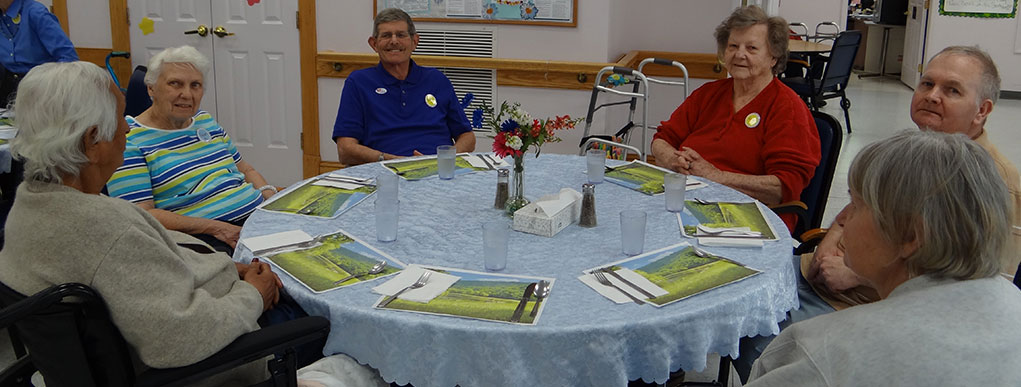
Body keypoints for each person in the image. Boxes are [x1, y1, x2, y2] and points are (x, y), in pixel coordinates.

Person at [733, 45, 1021, 383]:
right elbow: (846, 217)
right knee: (734, 285)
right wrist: (830, 249)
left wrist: (854, 272)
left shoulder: (993, 186)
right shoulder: (906, 152)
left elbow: (976, 286)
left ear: (982, 110)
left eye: (952, 90)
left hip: (863, 305)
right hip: (822, 274)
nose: (931, 96)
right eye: (926, 84)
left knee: (746, 327)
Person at [0, 61, 283, 386]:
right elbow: (181, 338)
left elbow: (142, 263)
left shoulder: (30, 202)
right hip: (219, 361)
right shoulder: (108, 230)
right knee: (324, 324)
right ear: (93, 141)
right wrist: (253, 295)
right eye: (121, 118)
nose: (128, 128)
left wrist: (233, 270)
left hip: (203, 304)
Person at [650, 5, 820, 232]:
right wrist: (673, 159)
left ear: (773, 57)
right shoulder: (709, 94)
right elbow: (662, 139)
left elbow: (783, 186)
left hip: (751, 218)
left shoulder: (787, 108)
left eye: (752, 48)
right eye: (733, 46)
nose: (740, 54)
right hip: (690, 203)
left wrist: (716, 176)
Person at [105, 45, 275, 254]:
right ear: (151, 88)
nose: (187, 94)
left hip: (255, 219)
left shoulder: (205, 121)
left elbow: (246, 170)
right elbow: (141, 214)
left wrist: (271, 201)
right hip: (206, 238)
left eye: (195, 85)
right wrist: (216, 228)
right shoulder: (129, 139)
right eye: (175, 84)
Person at [332, 8, 475, 166]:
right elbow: (345, 150)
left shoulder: (437, 80)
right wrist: (392, 161)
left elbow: (467, 137)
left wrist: (443, 160)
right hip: (384, 172)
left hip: (438, 171)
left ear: (414, 42)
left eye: (401, 35)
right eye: (386, 35)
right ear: (374, 44)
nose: (394, 41)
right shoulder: (358, 82)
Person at [0, 0, 77, 106]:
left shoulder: (35, 12)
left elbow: (68, 56)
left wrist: (54, 86)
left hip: (42, 85)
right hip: (9, 85)